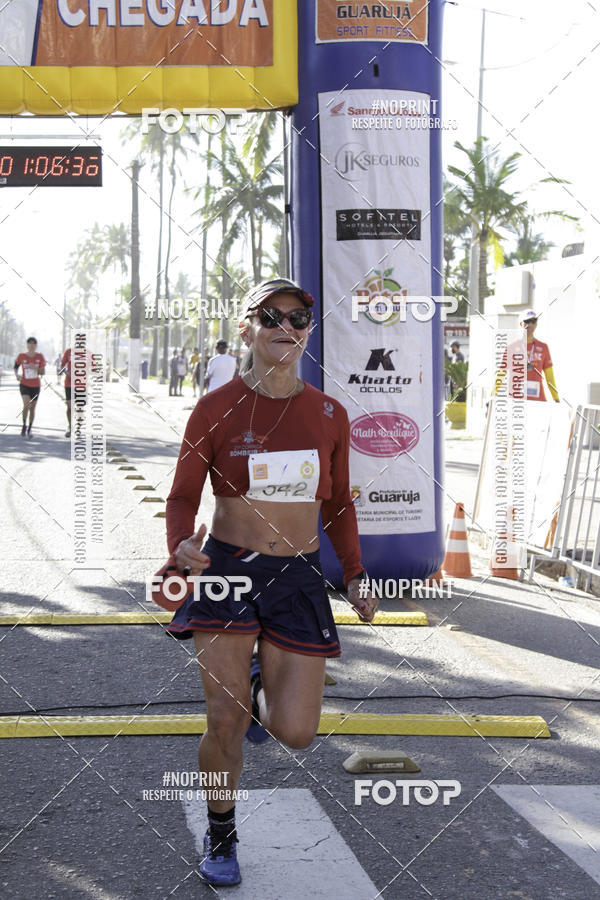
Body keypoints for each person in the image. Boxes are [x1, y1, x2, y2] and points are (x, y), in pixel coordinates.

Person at [164, 277, 378, 887]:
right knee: (223, 720)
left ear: (308, 329)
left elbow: (338, 507)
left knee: (297, 732)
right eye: (272, 317)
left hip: (297, 577)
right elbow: (182, 497)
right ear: (247, 328)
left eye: (298, 318)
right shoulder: (214, 409)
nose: (287, 328)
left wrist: (356, 576)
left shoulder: (329, 413)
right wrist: (181, 546)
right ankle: (222, 834)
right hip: (228, 571)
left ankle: (261, 686)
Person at [521, 309, 559, 402]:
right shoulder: (512, 347)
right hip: (517, 403)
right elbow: (501, 374)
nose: (530, 324)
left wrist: (556, 398)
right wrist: (491, 397)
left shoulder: (543, 347)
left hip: (538, 401)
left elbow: (550, 377)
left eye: (533, 321)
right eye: (527, 321)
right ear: (521, 324)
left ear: (536, 324)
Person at [14, 337, 45, 439]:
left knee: (32, 408)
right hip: (24, 384)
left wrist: (35, 368)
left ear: (36, 345)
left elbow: (43, 372)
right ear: (27, 345)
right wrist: (17, 375)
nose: (31, 345)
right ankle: (24, 425)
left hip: (35, 385)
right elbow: (16, 366)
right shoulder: (21, 356)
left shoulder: (40, 356)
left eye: (33, 344)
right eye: (29, 343)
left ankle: (30, 428)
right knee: (26, 404)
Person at [59, 347, 73, 437]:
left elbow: (93, 367)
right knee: (69, 406)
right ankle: (70, 426)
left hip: (82, 385)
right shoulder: (68, 352)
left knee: (80, 408)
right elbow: (62, 366)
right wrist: (67, 372)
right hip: (69, 384)